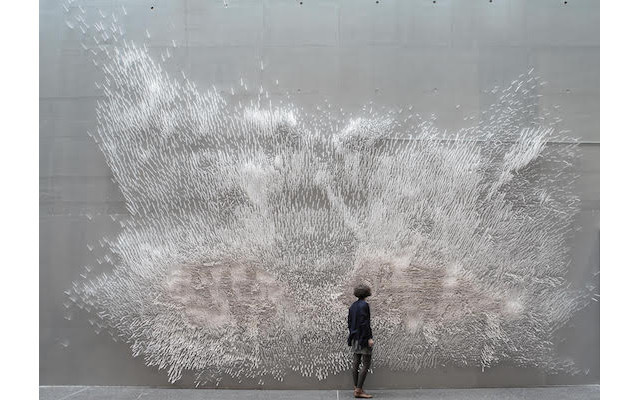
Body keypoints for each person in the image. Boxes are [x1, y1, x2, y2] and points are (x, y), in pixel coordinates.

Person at [347, 284, 374, 398]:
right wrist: (369, 338)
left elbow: (349, 322)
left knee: (356, 362)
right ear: (366, 292)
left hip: (354, 337)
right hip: (363, 338)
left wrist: (352, 335)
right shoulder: (364, 305)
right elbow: (365, 323)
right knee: (366, 363)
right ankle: (358, 390)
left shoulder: (353, 305)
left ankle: (356, 388)